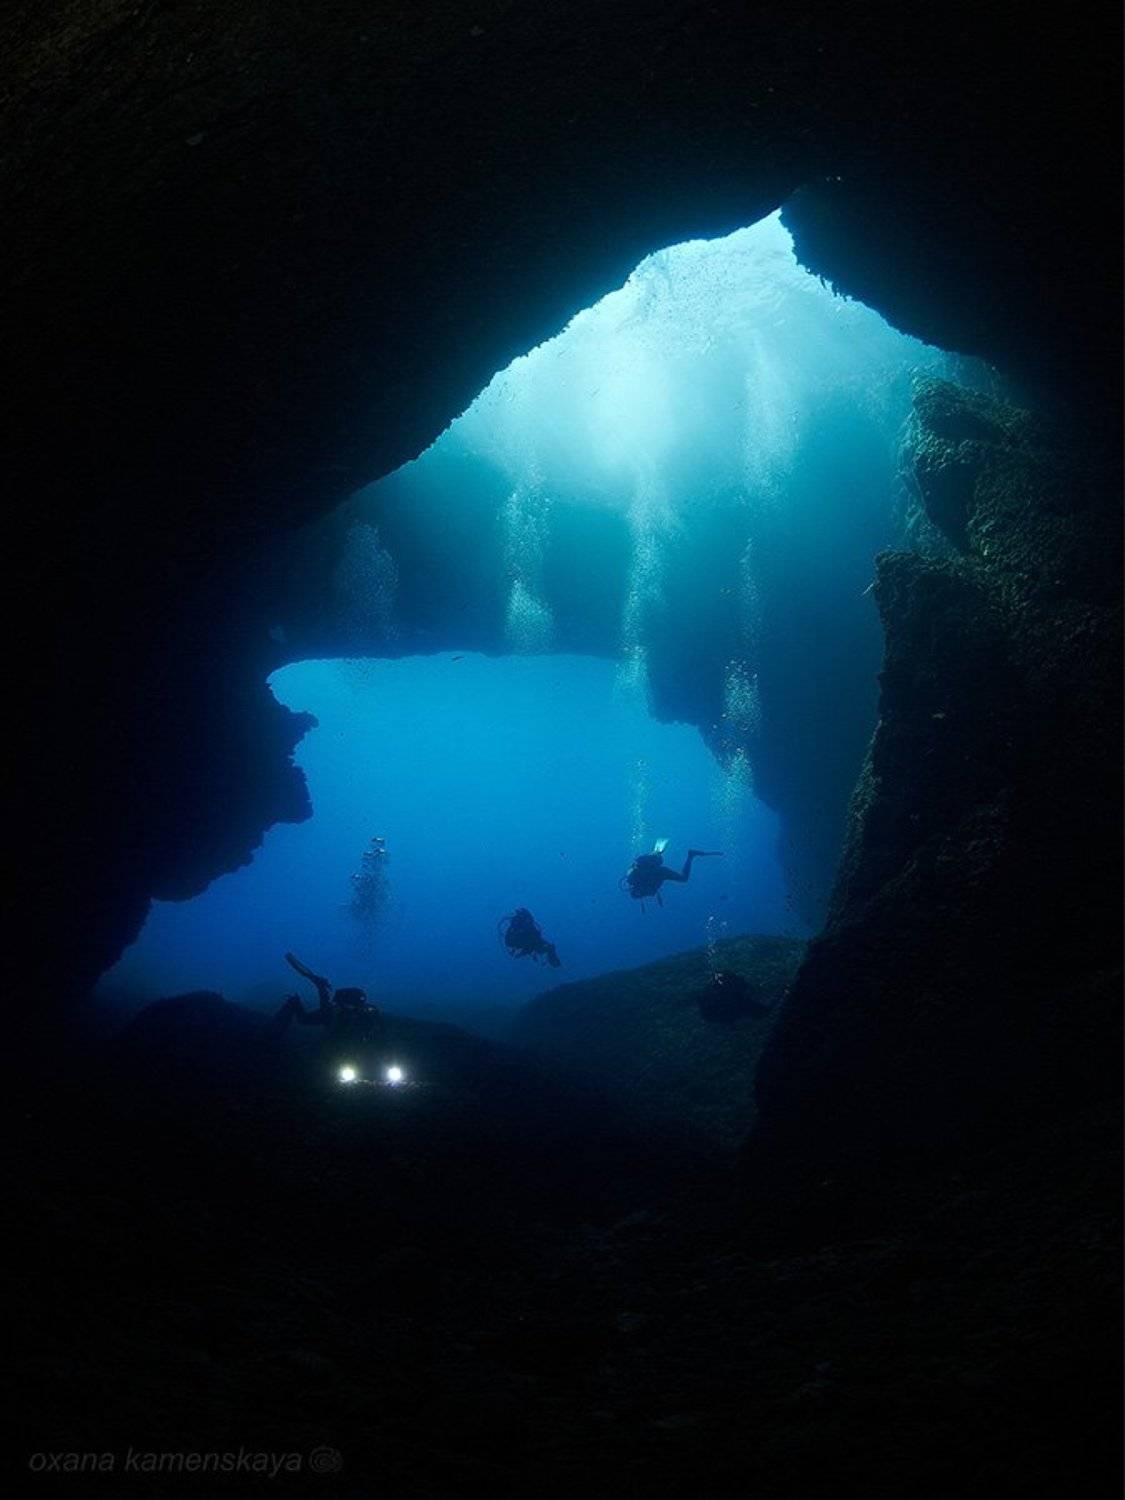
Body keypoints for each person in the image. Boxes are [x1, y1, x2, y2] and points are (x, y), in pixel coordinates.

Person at [270, 952, 387, 1071]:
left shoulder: (365, 1013)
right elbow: (325, 1006)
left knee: (311, 1018)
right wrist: (319, 985)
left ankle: (297, 1001)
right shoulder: (333, 1012)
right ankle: (295, 1002)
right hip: (332, 1024)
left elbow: (375, 1024)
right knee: (304, 1019)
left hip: (341, 1034)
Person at [622, 841, 722, 908]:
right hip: (659, 872)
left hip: (659, 873)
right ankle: (688, 855)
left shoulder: (636, 883)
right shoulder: (634, 881)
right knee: (683, 878)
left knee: (683, 878)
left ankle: (690, 856)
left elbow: (650, 890)